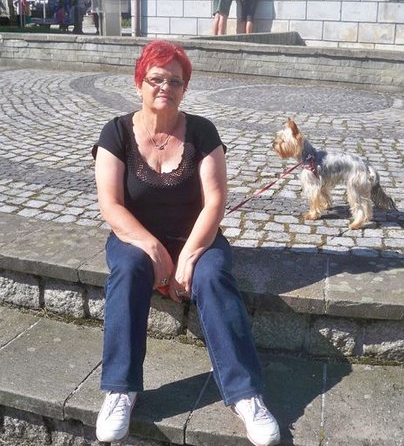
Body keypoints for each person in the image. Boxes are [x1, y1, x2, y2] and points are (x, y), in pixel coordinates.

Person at [92, 40, 281, 446]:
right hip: (134, 238)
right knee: (128, 269)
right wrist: (154, 250)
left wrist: (190, 256)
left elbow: (215, 201)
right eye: (156, 79)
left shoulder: (202, 131)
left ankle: (246, 394)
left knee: (212, 276)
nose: (165, 87)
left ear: (185, 88)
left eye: (175, 81)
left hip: (197, 235)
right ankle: (120, 389)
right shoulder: (116, 132)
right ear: (139, 83)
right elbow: (110, 204)